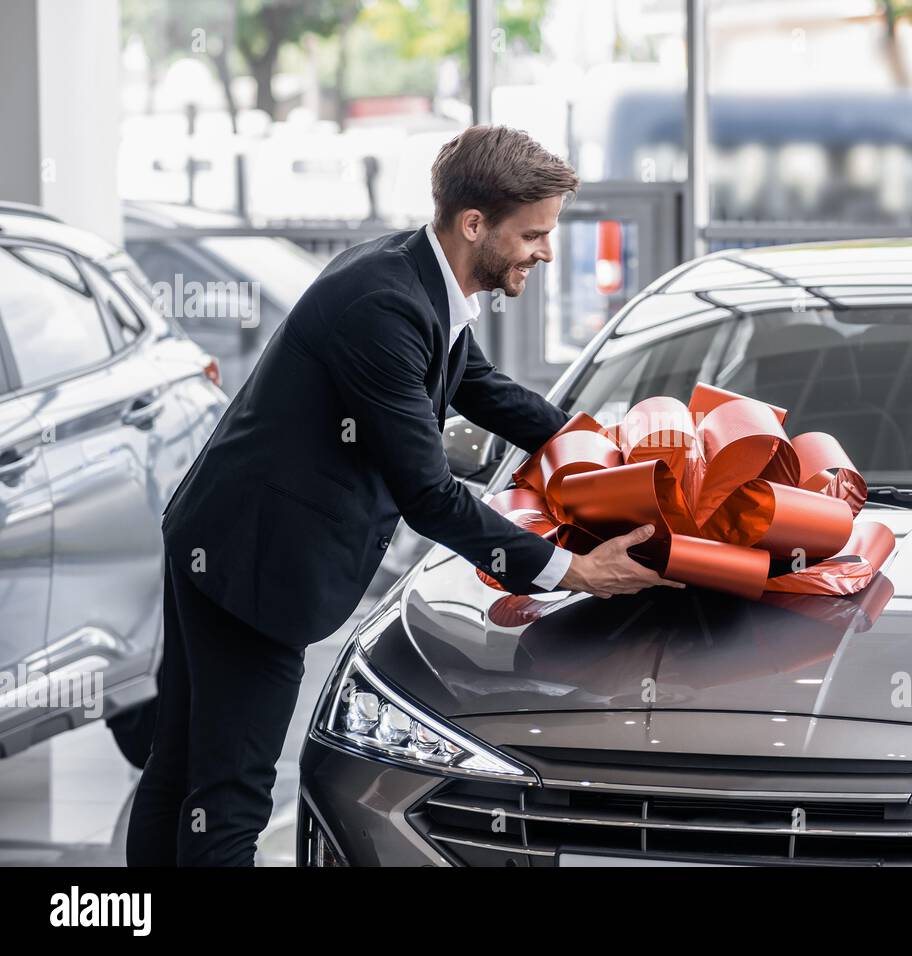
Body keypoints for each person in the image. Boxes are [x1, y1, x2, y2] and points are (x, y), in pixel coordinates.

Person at [125, 125, 682, 867]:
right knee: (229, 794)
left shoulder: (418, 276)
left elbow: (478, 387)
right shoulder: (383, 308)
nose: (545, 251)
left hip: (221, 530)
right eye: (535, 234)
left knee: (183, 762)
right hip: (251, 563)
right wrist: (574, 571)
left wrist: (606, 453)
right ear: (474, 223)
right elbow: (428, 494)